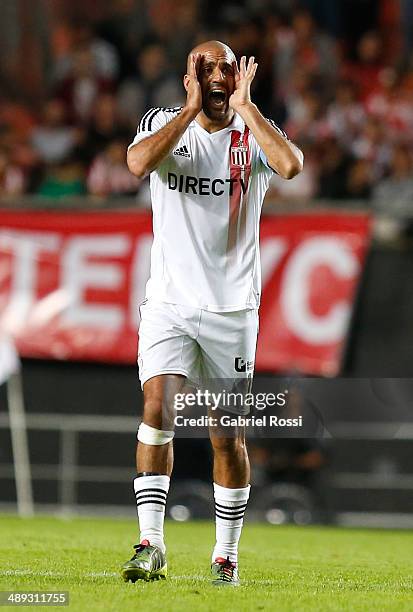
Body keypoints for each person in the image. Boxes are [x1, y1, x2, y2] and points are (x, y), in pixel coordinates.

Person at [122, 40, 303, 586]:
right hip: (171, 304)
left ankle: (226, 555)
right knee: (159, 409)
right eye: (204, 67)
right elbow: (136, 163)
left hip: (232, 310)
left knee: (227, 436)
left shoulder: (253, 132)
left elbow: (291, 167)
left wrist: (248, 108)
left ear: (238, 76)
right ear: (188, 77)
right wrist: (188, 109)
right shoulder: (162, 123)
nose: (215, 75)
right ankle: (150, 543)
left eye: (224, 66)